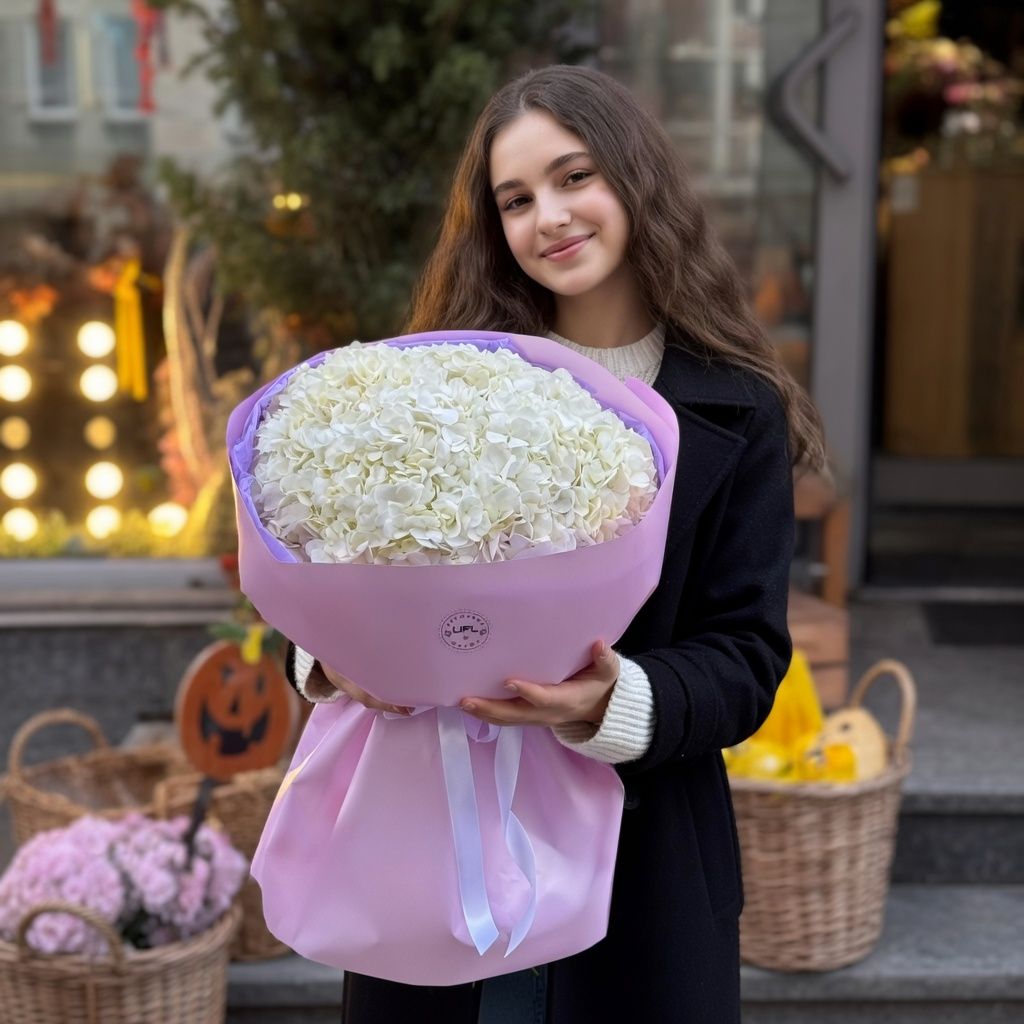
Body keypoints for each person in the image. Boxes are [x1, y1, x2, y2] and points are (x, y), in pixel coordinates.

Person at [283, 64, 826, 1023]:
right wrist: (327, 658)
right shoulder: (438, 383)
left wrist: (614, 701)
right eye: (517, 199)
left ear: (635, 180)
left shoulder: (736, 408)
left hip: (644, 874)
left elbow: (747, 656)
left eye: (576, 177)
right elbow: (323, 564)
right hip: (433, 839)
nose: (551, 217)